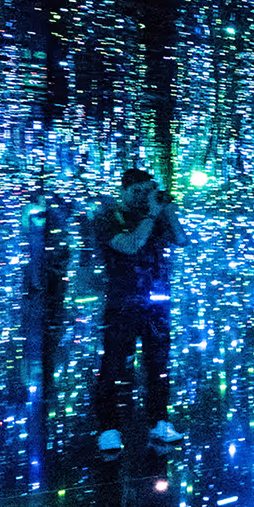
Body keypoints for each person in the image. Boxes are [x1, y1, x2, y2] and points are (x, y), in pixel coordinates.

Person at [96, 169, 186, 454]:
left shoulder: (155, 216)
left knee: (158, 365)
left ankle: (160, 421)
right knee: (113, 365)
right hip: (122, 303)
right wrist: (151, 216)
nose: (143, 197)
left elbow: (182, 239)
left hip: (156, 304)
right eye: (139, 191)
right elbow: (130, 245)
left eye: (148, 191)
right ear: (125, 190)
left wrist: (167, 211)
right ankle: (109, 428)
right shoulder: (108, 216)